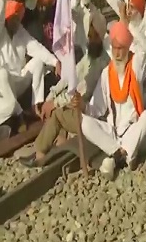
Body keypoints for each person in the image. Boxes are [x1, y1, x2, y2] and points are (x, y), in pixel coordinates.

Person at [22, 11, 110, 167]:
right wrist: (51, 96)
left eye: (94, 36)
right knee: (59, 108)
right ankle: (59, 149)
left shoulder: (102, 64)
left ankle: (40, 155)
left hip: (91, 116)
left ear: (102, 37)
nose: (91, 40)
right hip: (78, 108)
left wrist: (55, 104)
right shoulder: (89, 57)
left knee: (58, 114)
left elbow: (81, 92)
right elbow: (70, 77)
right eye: (89, 36)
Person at [78, 21, 146, 180]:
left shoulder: (135, 68)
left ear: (127, 48)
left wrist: (129, 23)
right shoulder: (107, 73)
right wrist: (82, 105)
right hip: (112, 133)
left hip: (133, 131)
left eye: (121, 48)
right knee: (84, 122)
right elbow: (97, 108)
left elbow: (145, 47)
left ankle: (117, 156)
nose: (117, 53)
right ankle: (120, 154)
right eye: (114, 48)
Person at [0, 0, 60, 128]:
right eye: (13, 18)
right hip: (3, 87)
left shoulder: (20, 31)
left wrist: (55, 61)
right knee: (1, 74)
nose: (15, 21)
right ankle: (19, 115)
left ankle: (35, 106)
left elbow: (35, 47)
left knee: (38, 62)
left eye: (18, 18)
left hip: (18, 81)